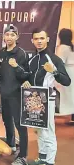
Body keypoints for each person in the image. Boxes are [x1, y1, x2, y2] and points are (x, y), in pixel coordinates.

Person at [22, 28, 71, 165]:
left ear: (48, 39)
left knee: (48, 131)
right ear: (32, 40)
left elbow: (66, 81)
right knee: (39, 131)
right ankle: (42, 158)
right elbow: (29, 78)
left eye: (42, 38)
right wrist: (26, 82)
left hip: (47, 99)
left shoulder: (54, 59)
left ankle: (49, 161)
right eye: (36, 38)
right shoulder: (32, 59)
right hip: (33, 100)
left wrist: (54, 71)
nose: (39, 41)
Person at [0, 25, 29, 165]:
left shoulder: (21, 53)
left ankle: (23, 155)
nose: (9, 38)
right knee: (6, 121)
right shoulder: (2, 52)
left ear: (17, 36)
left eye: (12, 35)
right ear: (4, 36)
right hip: (4, 93)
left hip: (16, 94)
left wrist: (16, 66)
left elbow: (26, 75)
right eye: (7, 35)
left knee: (19, 124)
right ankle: (11, 144)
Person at [56, 28, 74, 123]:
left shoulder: (62, 47)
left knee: (63, 94)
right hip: (73, 71)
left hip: (66, 72)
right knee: (72, 95)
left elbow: (60, 62)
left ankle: (57, 113)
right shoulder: (71, 47)